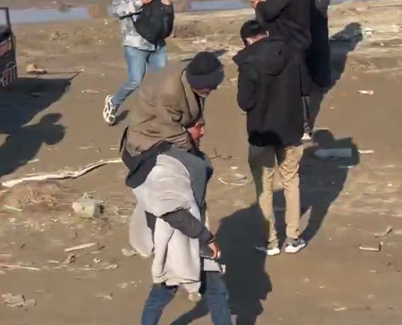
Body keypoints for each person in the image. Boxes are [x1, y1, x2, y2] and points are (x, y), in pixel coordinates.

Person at [120, 51, 228, 325]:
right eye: (199, 128)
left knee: (215, 291)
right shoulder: (166, 168)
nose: (204, 132)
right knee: (164, 291)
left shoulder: (183, 158)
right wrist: (206, 236)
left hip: (192, 236)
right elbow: (171, 211)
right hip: (177, 240)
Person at [233, 20, 307, 256]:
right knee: (291, 181)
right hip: (291, 128)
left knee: (264, 187)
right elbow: (306, 87)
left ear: (246, 40)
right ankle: (293, 237)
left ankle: (271, 241)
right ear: (266, 34)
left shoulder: (247, 62)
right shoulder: (291, 53)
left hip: (261, 131)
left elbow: (244, 102)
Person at [103, 0, 174, 126]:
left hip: (158, 43)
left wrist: (168, 5)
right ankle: (114, 102)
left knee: (159, 81)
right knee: (135, 80)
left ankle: (154, 114)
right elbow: (115, 11)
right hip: (135, 44)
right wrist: (140, 2)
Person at [251, 0, 313, 140]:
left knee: (296, 86)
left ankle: (302, 128)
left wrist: (258, 4)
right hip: (294, 39)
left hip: (290, 42)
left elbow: (268, 11)